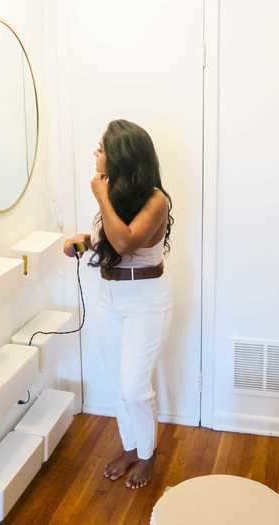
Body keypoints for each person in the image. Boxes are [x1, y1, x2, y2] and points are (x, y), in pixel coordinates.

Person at [64, 119, 174, 489]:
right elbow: (110, 241)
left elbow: (127, 242)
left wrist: (99, 196)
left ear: (122, 156)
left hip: (146, 302)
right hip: (109, 298)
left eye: (102, 147)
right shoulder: (116, 192)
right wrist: (84, 241)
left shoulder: (156, 200)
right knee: (116, 382)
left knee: (134, 388)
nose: (96, 153)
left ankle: (147, 455)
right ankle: (129, 447)